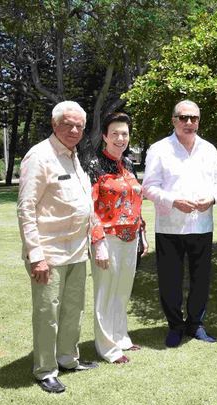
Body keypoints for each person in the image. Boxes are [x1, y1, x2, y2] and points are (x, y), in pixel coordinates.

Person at [17, 101, 98, 394]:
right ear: (55, 125)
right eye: (68, 124)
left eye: (79, 125)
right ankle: (45, 370)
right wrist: (36, 256)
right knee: (47, 313)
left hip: (77, 249)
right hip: (48, 253)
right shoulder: (39, 156)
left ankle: (67, 358)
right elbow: (26, 208)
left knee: (73, 311)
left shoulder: (74, 155)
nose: (74, 130)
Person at [142, 100, 217, 348]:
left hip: (201, 225)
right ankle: (175, 326)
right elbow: (149, 186)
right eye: (183, 117)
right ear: (173, 120)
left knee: (201, 280)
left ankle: (195, 324)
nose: (189, 122)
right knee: (170, 280)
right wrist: (172, 201)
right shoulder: (159, 149)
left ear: (199, 121)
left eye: (194, 118)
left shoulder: (209, 150)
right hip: (170, 226)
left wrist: (212, 198)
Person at [84, 112, 148, 364]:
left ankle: (121, 338)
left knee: (122, 290)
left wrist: (142, 233)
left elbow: (136, 202)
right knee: (105, 292)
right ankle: (107, 347)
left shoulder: (130, 164)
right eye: (115, 134)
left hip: (130, 238)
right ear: (104, 136)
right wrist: (97, 241)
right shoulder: (93, 165)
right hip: (107, 239)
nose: (120, 138)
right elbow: (89, 207)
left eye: (124, 133)